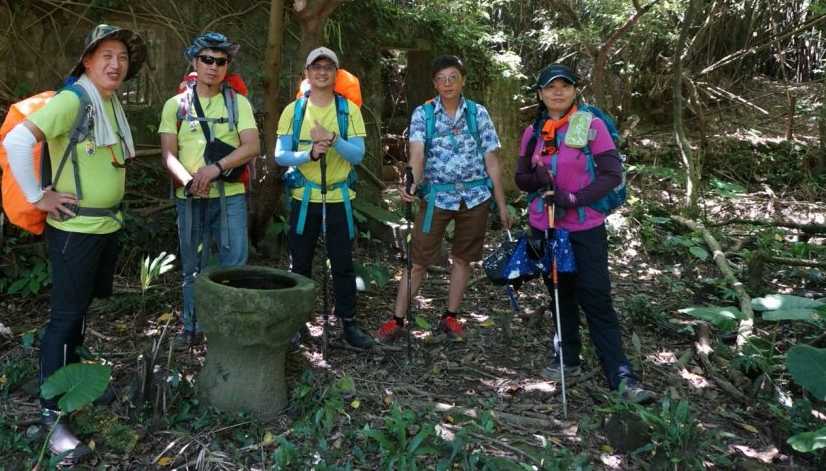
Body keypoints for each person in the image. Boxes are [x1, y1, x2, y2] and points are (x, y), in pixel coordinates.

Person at [2, 23, 145, 461]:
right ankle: (52, 414)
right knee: (64, 320)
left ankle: (75, 385)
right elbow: (19, 138)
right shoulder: (75, 99)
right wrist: (38, 197)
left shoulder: (108, 102)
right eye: (106, 55)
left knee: (80, 312)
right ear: (87, 61)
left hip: (103, 228)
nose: (115, 64)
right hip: (74, 231)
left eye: (121, 56)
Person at [514, 63, 655, 404]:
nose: (557, 92)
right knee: (560, 294)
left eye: (565, 86)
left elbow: (610, 174)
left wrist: (572, 198)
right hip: (547, 226)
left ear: (575, 90)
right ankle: (567, 359)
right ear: (540, 93)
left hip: (585, 226)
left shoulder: (590, 126)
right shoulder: (538, 131)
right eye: (550, 87)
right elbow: (522, 178)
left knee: (596, 297)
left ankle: (621, 376)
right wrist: (540, 180)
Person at [375, 55, 511, 344]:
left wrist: (500, 205)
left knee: (463, 259)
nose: (447, 84)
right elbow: (417, 153)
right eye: (441, 79)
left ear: (463, 80)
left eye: (453, 78)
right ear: (434, 83)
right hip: (436, 196)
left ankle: (450, 317)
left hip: (475, 198)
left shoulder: (478, 113)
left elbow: (492, 161)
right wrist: (411, 182)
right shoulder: (424, 114)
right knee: (418, 261)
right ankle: (397, 320)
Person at [159, 32, 259, 350]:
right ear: (194, 61)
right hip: (190, 199)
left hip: (230, 196)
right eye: (206, 59)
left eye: (220, 61)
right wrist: (189, 182)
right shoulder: (175, 106)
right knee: (192, 267)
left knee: (235, 264)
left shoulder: (237, 102)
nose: (213, 66)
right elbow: (168, 155)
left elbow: (252, 146)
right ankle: (191, 326)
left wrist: (215, 168)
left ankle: (230, 330)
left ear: (227, 66)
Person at [275, 47, 373, 350]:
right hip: (305, 199)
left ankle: (348, 324)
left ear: (336, 73)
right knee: (300, 264)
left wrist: (334, 140)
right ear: (307, 73)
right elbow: (280, 155)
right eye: (315, 66)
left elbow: (358, 154)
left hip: (339, 199)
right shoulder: (294, 111)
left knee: (342, 264)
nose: (321, 71)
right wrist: (309, 153)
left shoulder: (348, 110)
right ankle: (296, 324)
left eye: (328, 66)